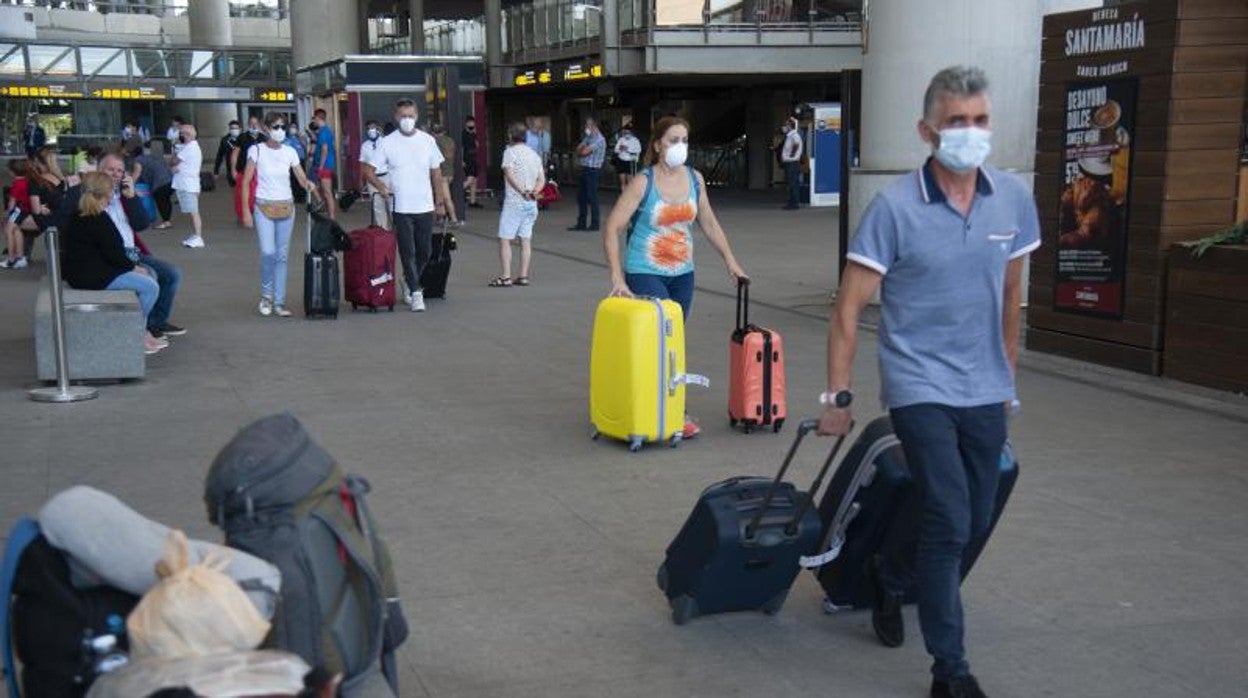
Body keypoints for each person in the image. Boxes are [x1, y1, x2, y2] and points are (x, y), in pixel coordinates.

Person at [815, 66, 1040, 698]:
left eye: (980, 120)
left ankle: (890, 571)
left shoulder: (1012, 200)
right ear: (927, 130)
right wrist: (836, 398)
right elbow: (848, 308)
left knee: (972, 515)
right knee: (948, 515)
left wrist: (1008, 378)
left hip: (985, 386)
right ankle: (952, 669)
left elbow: (1012, 295)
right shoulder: (894, 208)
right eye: (956, 122)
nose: (970, 133)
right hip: (919, 384)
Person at [602, 115, 747, 439]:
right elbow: (613, 227)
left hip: (683, 274)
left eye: (684, 140)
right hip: (644, 271)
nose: (680, 147)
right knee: (661, 341)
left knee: (673, 344)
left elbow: (708, 221)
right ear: (657, 145)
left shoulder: (695, 180)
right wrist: (617, 277)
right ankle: (671, 412)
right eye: (673, 140)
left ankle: (662, 406)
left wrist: (730, 261)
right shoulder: (644, 182)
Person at [60, 172, 168, 355]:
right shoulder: (100, 218)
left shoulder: (78, 215)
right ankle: (136, 332)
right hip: (94, 276)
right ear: (106, 193)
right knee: (150, 286)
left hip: (81, 273)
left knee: (148, 277)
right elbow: (115, 255)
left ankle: (141, 331)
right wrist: (135, 268)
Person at [362, 98, 447, 313]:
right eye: (403, 116)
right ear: (396, 117)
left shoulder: (427, 141)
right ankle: (416, 292)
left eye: (410, 116)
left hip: (425, 204)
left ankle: (409, 280)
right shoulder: (387, 142)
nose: (407, 120)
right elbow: (368, 170)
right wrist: (381, 186)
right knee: (407, 251)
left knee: (425, 251)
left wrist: (440, 201)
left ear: (417, 117)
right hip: (400, 206)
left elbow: (436, 172)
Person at [96, 153, 187, 340]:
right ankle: (140, 331)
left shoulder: (124, 195)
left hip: (133, 253)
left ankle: (156, 322)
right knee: (150, 278)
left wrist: (132, 198)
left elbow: (141, 224)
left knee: (172, 273)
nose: (115, 174)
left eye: (119, 171)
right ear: (99, 170)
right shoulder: (93, 196)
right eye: (110, 169)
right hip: (110, 257)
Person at [241, 112, 320, 318]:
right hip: (263, 206)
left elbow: (301, 177)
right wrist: (246, 212)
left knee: (282, 255)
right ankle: (266, 295)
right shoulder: (256, 150)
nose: (280, 131)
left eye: (283, 127)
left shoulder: (290, 151)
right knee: (268, 252)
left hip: (286, 207)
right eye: (275, 127)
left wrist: (308, 184)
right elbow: (246, 181)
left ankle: (279, 301)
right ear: (265, 129)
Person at [490, 122, 545, 288]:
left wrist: (522, 191)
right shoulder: (534, 155)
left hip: (515, 201)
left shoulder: (509, 152)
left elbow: (509, 174)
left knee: (505, 238)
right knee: (525, 239)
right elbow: (542, 179)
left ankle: (506, 277)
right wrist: (534, 192)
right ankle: (523, 276)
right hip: (531, 203)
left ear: (510, 135)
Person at [170, 123, 205, 248]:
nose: (180, 136)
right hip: (187, 184)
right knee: (192, 212)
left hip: (188, 185)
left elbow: (174, 161)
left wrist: (174, 151)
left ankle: (198, 236)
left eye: (181, 133)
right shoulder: (189, 147)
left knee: (194, 212)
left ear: (188, 134)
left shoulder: (190, 148)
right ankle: (196, 235)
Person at [569, 117, 606, 231]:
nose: (586, 128)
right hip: (585, 169)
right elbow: (578, 150)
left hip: (593, 170)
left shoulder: (599, 140)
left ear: (594, 126)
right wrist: (582, 151)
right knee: (581, 197)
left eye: (587, 126)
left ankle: (595, 224)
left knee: (592, 197)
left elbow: (584, 152)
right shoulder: (588, 137)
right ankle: (581, 223)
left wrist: (582, 151)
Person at [132, 141, 175, 229]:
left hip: (160, 182)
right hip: (171, 181)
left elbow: (137, 173)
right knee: (165, 200)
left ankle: (166, 222)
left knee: (161, 201)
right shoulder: (154, 157)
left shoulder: (138, 160)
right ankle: (167, 221)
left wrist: (130, 184)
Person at [1, 159, 36, 268]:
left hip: (18, 210)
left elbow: (12, 201)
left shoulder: (16, 184)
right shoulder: (27, 181)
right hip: (26, 210)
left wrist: (8, 213)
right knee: (17, 230)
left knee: (8, 230)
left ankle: (11, 258)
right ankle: (21, 257)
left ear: (12, 172)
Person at [231, 116, 265, 225]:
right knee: (242, 195)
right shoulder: (242, 137)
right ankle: (243, 216)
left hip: (259, 173)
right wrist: (233, 170)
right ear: (248, 124)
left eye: (255, 124)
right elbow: (235, 154)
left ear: (259, 125)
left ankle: (259, 215)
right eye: (251, 124)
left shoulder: (263, 138)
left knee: (259, 195)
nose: (253, 126)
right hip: (244, 171)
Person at [358, 119, 391, 229]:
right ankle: (383, 231)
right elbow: (362, 163)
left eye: (373, 128)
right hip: (372, 179)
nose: (370, 130)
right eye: (368, 128)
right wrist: (361, 179)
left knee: (392, 205)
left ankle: (397, 231)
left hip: (387, 176)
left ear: (377, 129)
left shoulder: (385, 142)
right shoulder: (365, 146)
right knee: (378, 207)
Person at [430, 122, 460, 227]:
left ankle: (454, 219)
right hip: (450, 172)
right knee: (442, 196)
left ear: (433, 132)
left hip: (441, 173)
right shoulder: (450, 141)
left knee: (446, 197)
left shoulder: (434, 142)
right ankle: (441, 218)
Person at [310, 108, 338, 220]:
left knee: (327, 192)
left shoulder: (324, 132)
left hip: (325, 166)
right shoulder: (323, 131)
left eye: (314, 118)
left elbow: (325, 150)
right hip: (323, 165)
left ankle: (332, 217)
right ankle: (323, 206)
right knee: (317, 187)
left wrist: (321, 167)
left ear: (318, 118)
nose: (313, 121)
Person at [780, 116, 803, 210]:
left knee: (793, 183)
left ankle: (794, 204)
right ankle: (791, 202)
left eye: (785, 125)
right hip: (790, 162)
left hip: (792, 163)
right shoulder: (790, 136)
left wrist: (791, 156)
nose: (784, 127)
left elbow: (796, 145)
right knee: (790, 183)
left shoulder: (794, 135)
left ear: (790, 126)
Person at [613, 123, 642, 190]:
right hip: (621, 161)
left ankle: (629, 198)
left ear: (631, 132)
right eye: (625, 130)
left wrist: (627, 149)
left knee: (630, 183)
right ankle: (623, 197)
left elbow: (638, 150)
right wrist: (620, 148)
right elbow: (616, 150)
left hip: (630, 162)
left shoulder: (635, 140)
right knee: (622, 182)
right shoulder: (621, 139)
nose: (627, 132)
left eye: (628, 131)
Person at [213, 120, 242, 188]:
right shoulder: (225, 140)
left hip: (242, 168)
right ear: (229, 129)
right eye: (232, 128)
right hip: (231, 170)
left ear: (240, 129)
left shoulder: (244, 138)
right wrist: (216, 171)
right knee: (234, 190)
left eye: (236, 128)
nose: (234, 130)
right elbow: (219, 156)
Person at [461, 116, 480, 208]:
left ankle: (472, 201)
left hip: (474, 157)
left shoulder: (473, 133)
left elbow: (477, 145)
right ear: (466, 123)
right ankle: (457, 192)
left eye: (473, 123)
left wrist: (474, 135)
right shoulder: (463, 134)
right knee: (470, 179)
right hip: (467, 158)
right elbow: (461, 148)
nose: (472, 125)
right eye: (470, 123)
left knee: (474, 180)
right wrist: (461, 160)